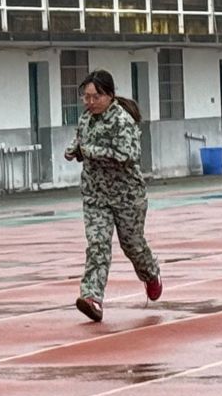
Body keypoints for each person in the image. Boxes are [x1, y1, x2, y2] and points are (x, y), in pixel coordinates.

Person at [65, 68, 163, 322]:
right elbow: (81, 141)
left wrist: (91, 151)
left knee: (132, 245)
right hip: (96, 196)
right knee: (97, 245)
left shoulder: (122, 121)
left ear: (109, 95)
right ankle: (92, 298)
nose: (90, 102)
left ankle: (150, 273)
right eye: (86, 97)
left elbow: (129, 155)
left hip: (127, 196)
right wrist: (74, 150)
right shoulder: (86, 119)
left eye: (95, 97)